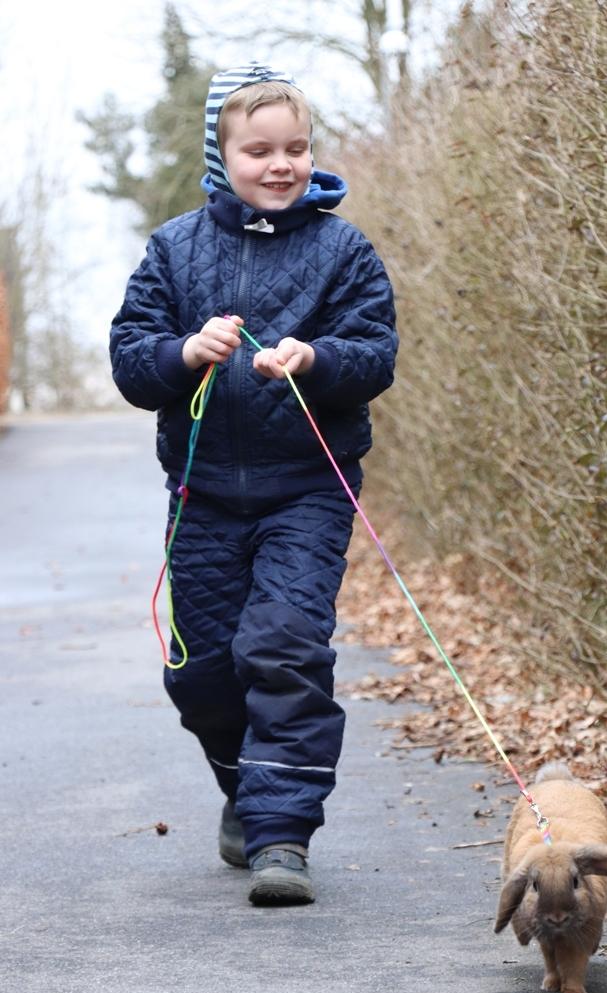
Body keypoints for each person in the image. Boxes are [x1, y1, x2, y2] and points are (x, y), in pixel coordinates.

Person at [110, 62, 398, 905]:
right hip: (201, 497)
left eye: (297, 149)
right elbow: (132, 361)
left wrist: (316, 359)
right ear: (222, 156)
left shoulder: (343, 250)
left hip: (307, 489)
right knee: (200, 673)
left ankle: (281, 838)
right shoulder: (173, 248)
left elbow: (373, 353)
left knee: (280, 646)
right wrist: (183, 353)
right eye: (259, 150)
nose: (281, 165)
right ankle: (248, 790)